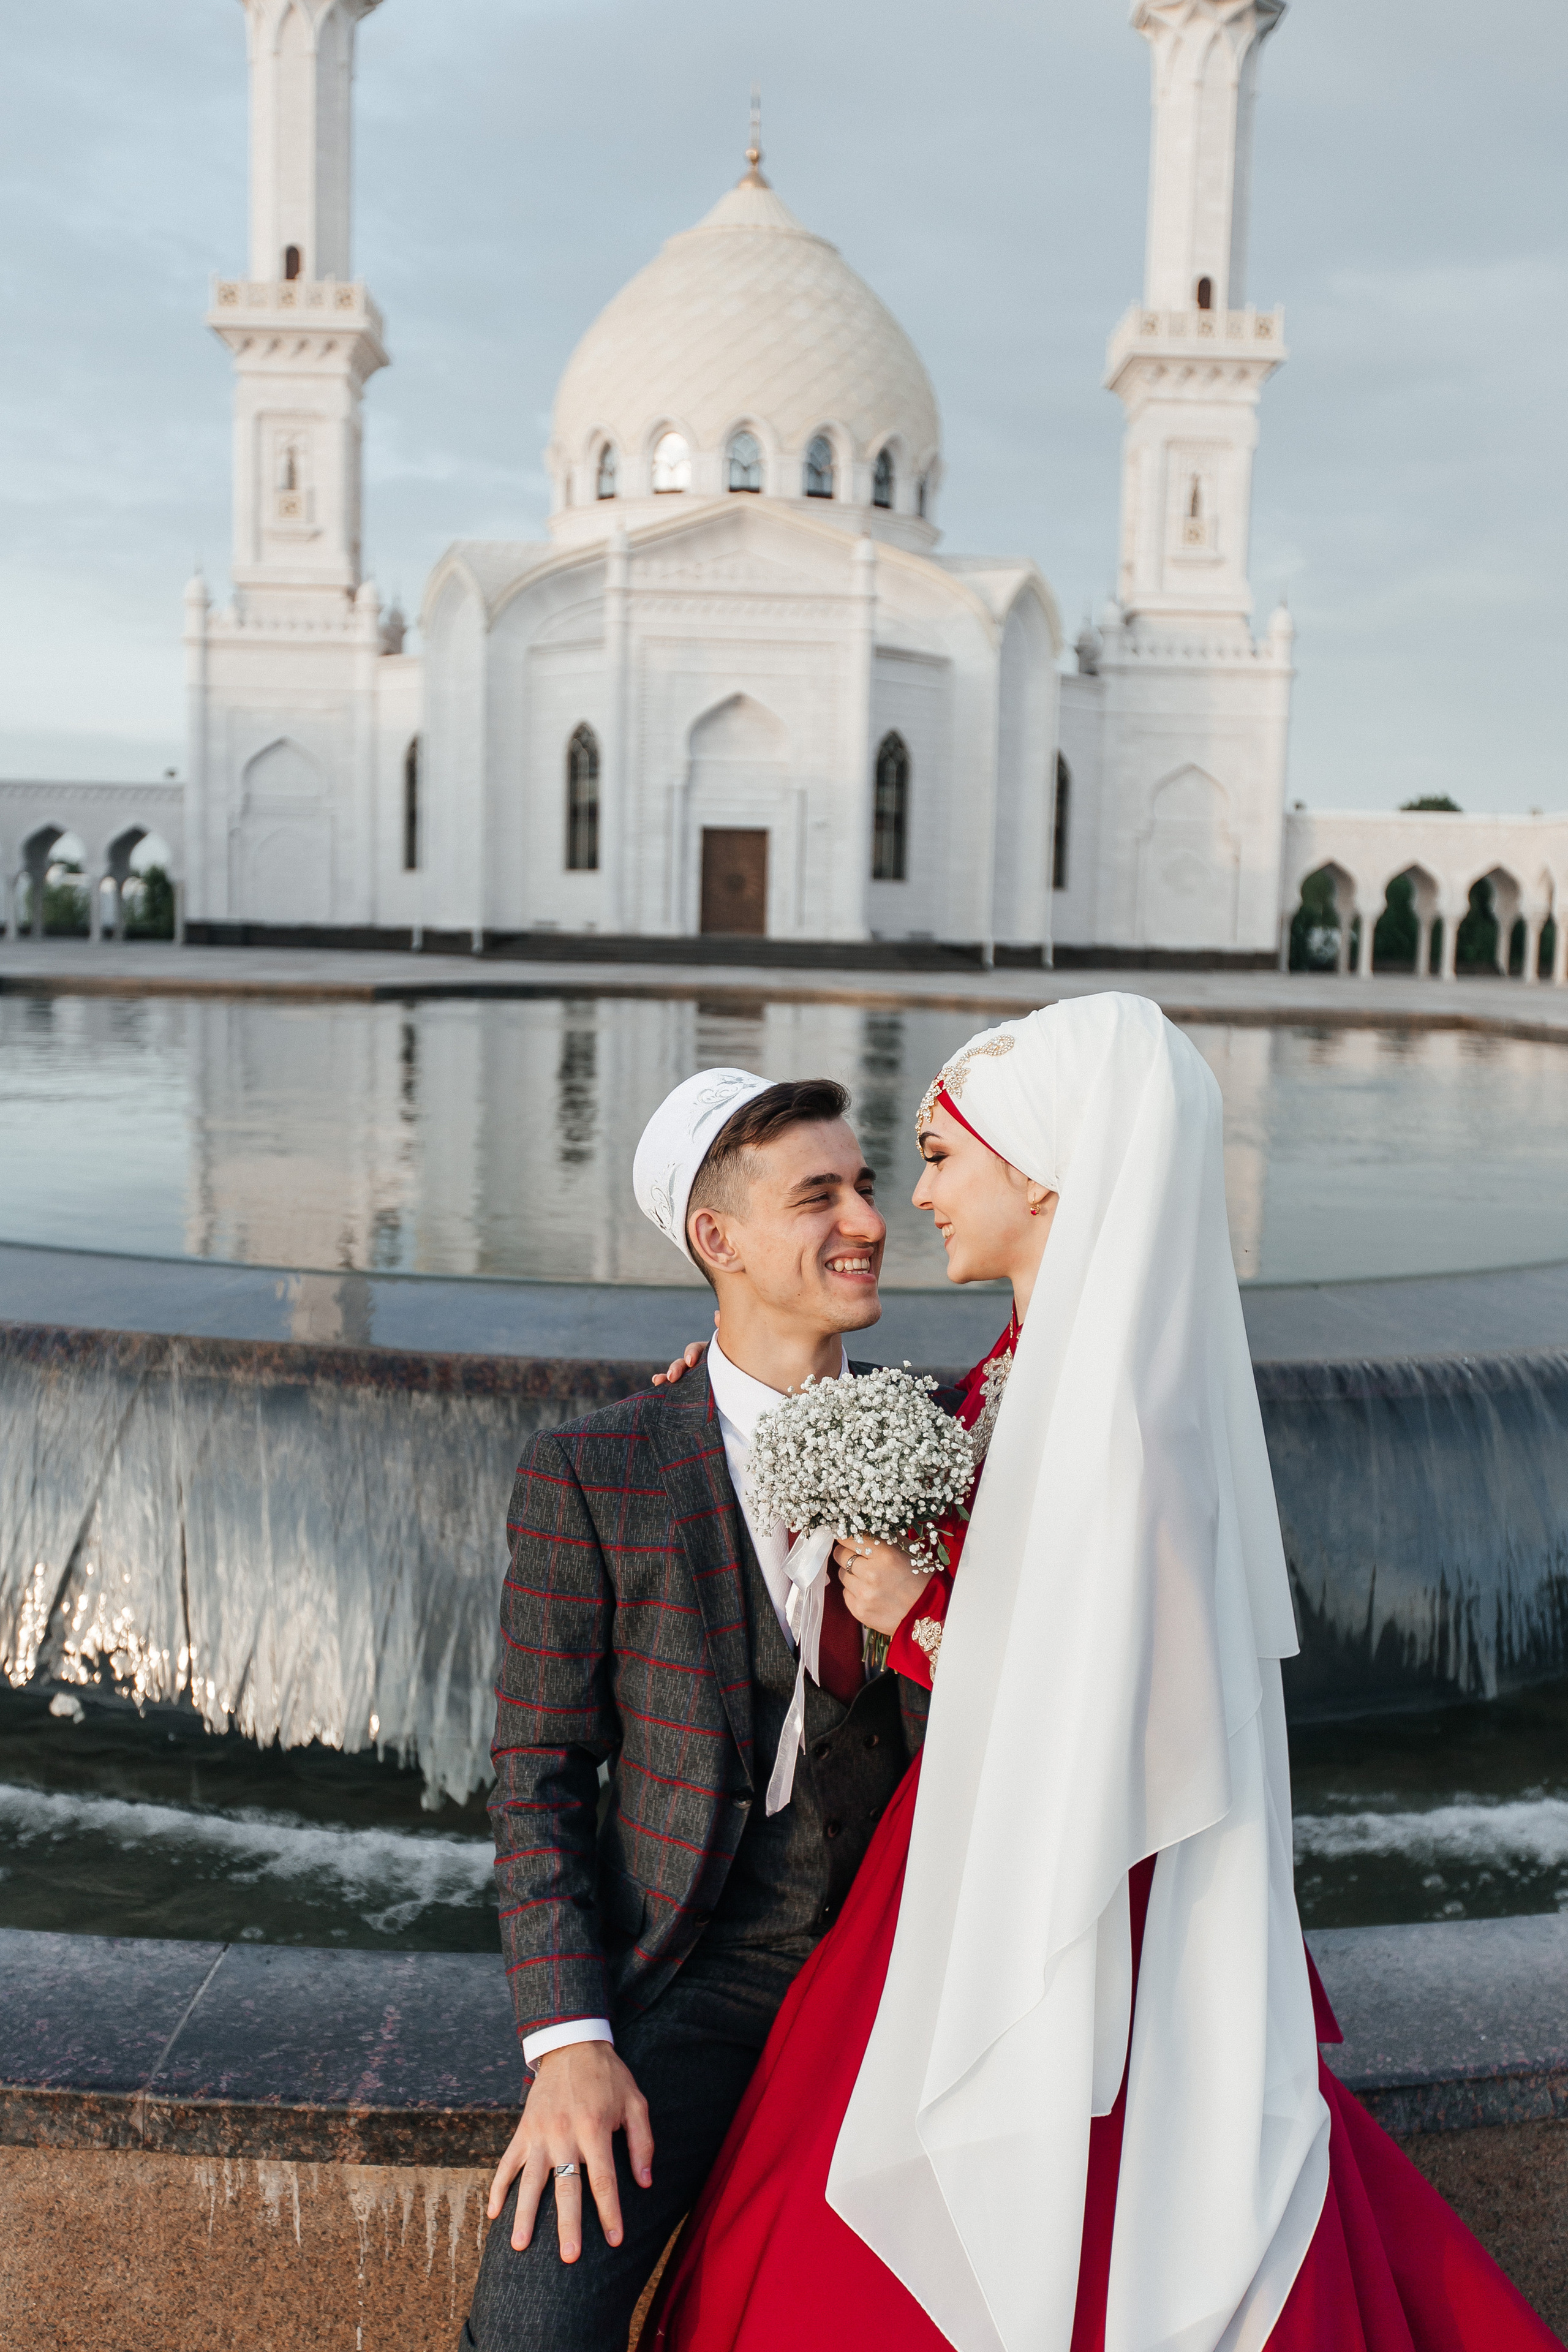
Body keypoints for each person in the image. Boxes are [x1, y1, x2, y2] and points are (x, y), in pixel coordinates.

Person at [648, 995, 1562, 2352]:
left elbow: (1142, 1699)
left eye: (939, 1159)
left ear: (1041, 1174)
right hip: (969, 1841)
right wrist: (724, 1382)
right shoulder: (1020, 1367)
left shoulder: (1129, 1405)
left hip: (1074, 1875)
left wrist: (917, 1621)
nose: (915, 1199)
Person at [461, 1069, 956, 2352]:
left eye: (864, 1185)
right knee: (534, 2324)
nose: (868, 1219)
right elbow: (536, 1775)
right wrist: (568, 2043)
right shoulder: (596, 1469)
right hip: (698, 1970)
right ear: (717, 1239)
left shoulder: (953, 1436)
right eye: (818, 1195)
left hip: (910, 1966)